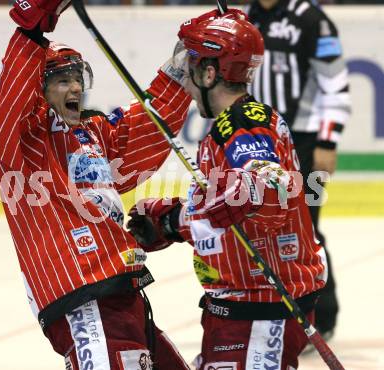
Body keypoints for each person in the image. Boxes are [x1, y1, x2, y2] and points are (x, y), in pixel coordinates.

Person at [0, 1, 192, 369]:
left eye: (78, 77)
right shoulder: (22, 143)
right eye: (63, 79)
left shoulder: (94, 133)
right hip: (82, 295)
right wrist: (31, 32)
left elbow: (145, 127)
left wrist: (184, 67)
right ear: (39, 90)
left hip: (121, 289)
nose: (75, 86)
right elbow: (9, 106)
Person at [128, 8, 328, 370]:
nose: (185, 83)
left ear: (208, 73)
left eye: (189, 69)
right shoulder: (239, 121)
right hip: (244, 304)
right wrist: (175, 220)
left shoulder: (241, 124)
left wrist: (246, 189)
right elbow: (231, 207)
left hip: (260, 307)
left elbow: (268, 184)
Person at [244, 0, 351, 341]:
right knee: (263, 229)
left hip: (305, 141)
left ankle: (323, 315)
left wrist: (328, 142)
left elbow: (335, 84)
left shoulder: (311, 19)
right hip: (261, 142)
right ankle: (277, 313)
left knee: (307, 229)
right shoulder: (249, 17)